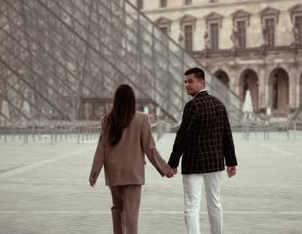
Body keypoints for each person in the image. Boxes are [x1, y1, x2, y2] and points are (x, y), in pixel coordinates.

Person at [89, 84, 175, 234]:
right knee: (131, 214)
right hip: (133, 173)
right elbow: (150, 148)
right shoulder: (142, 119)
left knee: (117, 209)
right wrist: (165, 169)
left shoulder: (107, 120)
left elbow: (101, 149)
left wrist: (94, 174)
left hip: (114, 172)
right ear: (132, 100)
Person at [168, 67, 238, 234]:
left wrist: (172, 162)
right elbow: (227, 135)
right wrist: (231, 161)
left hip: (194, 162)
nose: (186, 85)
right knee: (215, 203)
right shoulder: (219, 104)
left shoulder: (192, 106)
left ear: (202, 82)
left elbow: (182, 136)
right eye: (185, 81)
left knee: (192, 205)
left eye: (190, 81)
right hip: (214, 162)